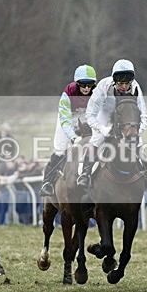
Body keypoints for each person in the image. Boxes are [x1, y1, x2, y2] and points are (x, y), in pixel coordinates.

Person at [77, 59, 147, 191]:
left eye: (127, 83)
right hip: (106, 112)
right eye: (121, 84)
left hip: (126, 114)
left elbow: (144, 115)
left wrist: (135, 133)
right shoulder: (104, 86)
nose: (124, 87)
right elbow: (90, 114)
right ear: (114, 81)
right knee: (97, 139)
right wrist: (101, 129)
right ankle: (85, 174)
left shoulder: (135, 86)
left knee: (139, 142)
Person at [39, 64, 98, 197]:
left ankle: (89, 175)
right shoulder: (68, 92)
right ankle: (47, 182)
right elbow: (65, 119)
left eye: (90, 85)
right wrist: (72, 137)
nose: (87, 88)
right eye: (83, 85)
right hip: (68, 118)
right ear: (77, 84)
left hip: (87, 118)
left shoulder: (97, 92)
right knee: (60, 150)